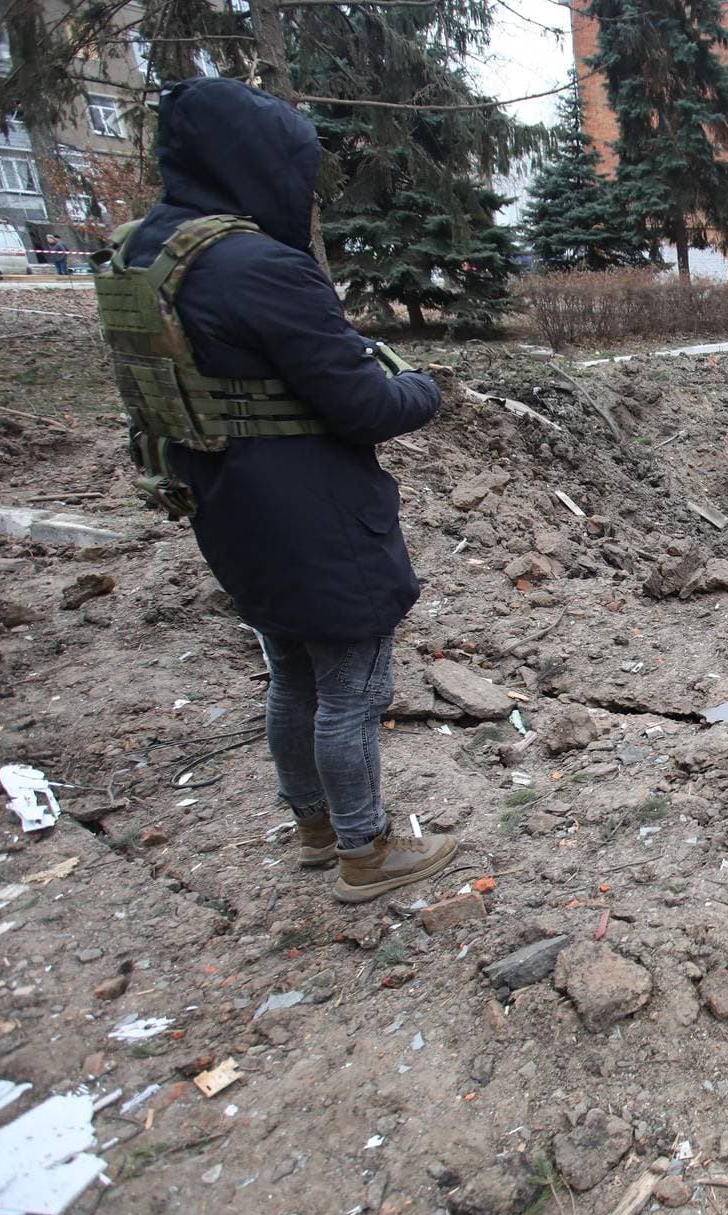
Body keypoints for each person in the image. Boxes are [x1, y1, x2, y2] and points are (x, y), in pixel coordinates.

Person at [94, 78, 459, 903]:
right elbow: (361, 406)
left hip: (225, 502)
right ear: (257, 164)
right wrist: (424, 390)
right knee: (354, 685)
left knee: (292, 672)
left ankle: (313, 827)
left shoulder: (145, 254)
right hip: (311, 510)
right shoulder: (258, 264)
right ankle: (365, 854)